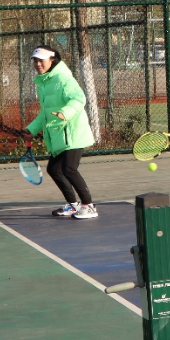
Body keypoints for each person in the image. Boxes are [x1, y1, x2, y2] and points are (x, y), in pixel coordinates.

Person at [25, 45, 98, 219]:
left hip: (73, 133)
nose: (37, 64)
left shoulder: (63, 78)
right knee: (54, 169)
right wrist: (32, 129)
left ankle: (89, 206)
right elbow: (46, 113)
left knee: (69, 169)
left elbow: (79, 98)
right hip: (59, 135)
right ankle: (73, 205)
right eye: (35, 61)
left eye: (41, 60)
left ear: (52, 60)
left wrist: (65, 113)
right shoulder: (44, 82)